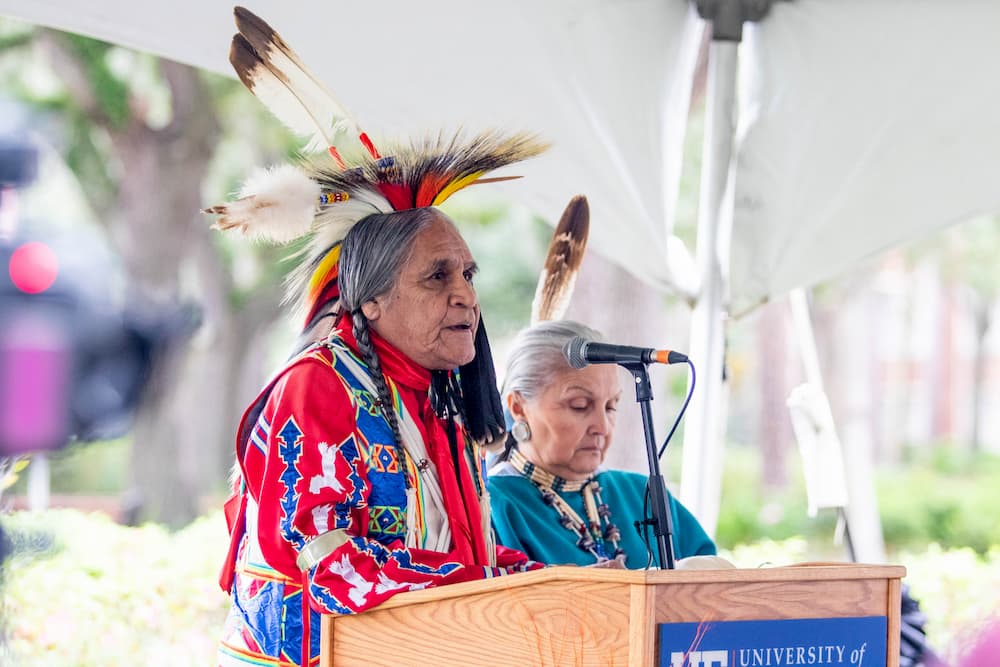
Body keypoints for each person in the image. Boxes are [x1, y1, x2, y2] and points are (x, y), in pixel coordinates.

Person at [207, 9, 547, 666]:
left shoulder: (431, 398)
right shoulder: (315, 390)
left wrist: (541, 580)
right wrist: (481, 590)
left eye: (469, 274)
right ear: (371, 300)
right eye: (438, 276)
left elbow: (458, 552)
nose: (467, 296)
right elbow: (336, 570)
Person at [488, 319, 716, 568]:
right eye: (579, 406)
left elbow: (715, 584)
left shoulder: (642, 494)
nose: (602, 426)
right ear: (518, 407)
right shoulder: (494, 506)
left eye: (611, 406)